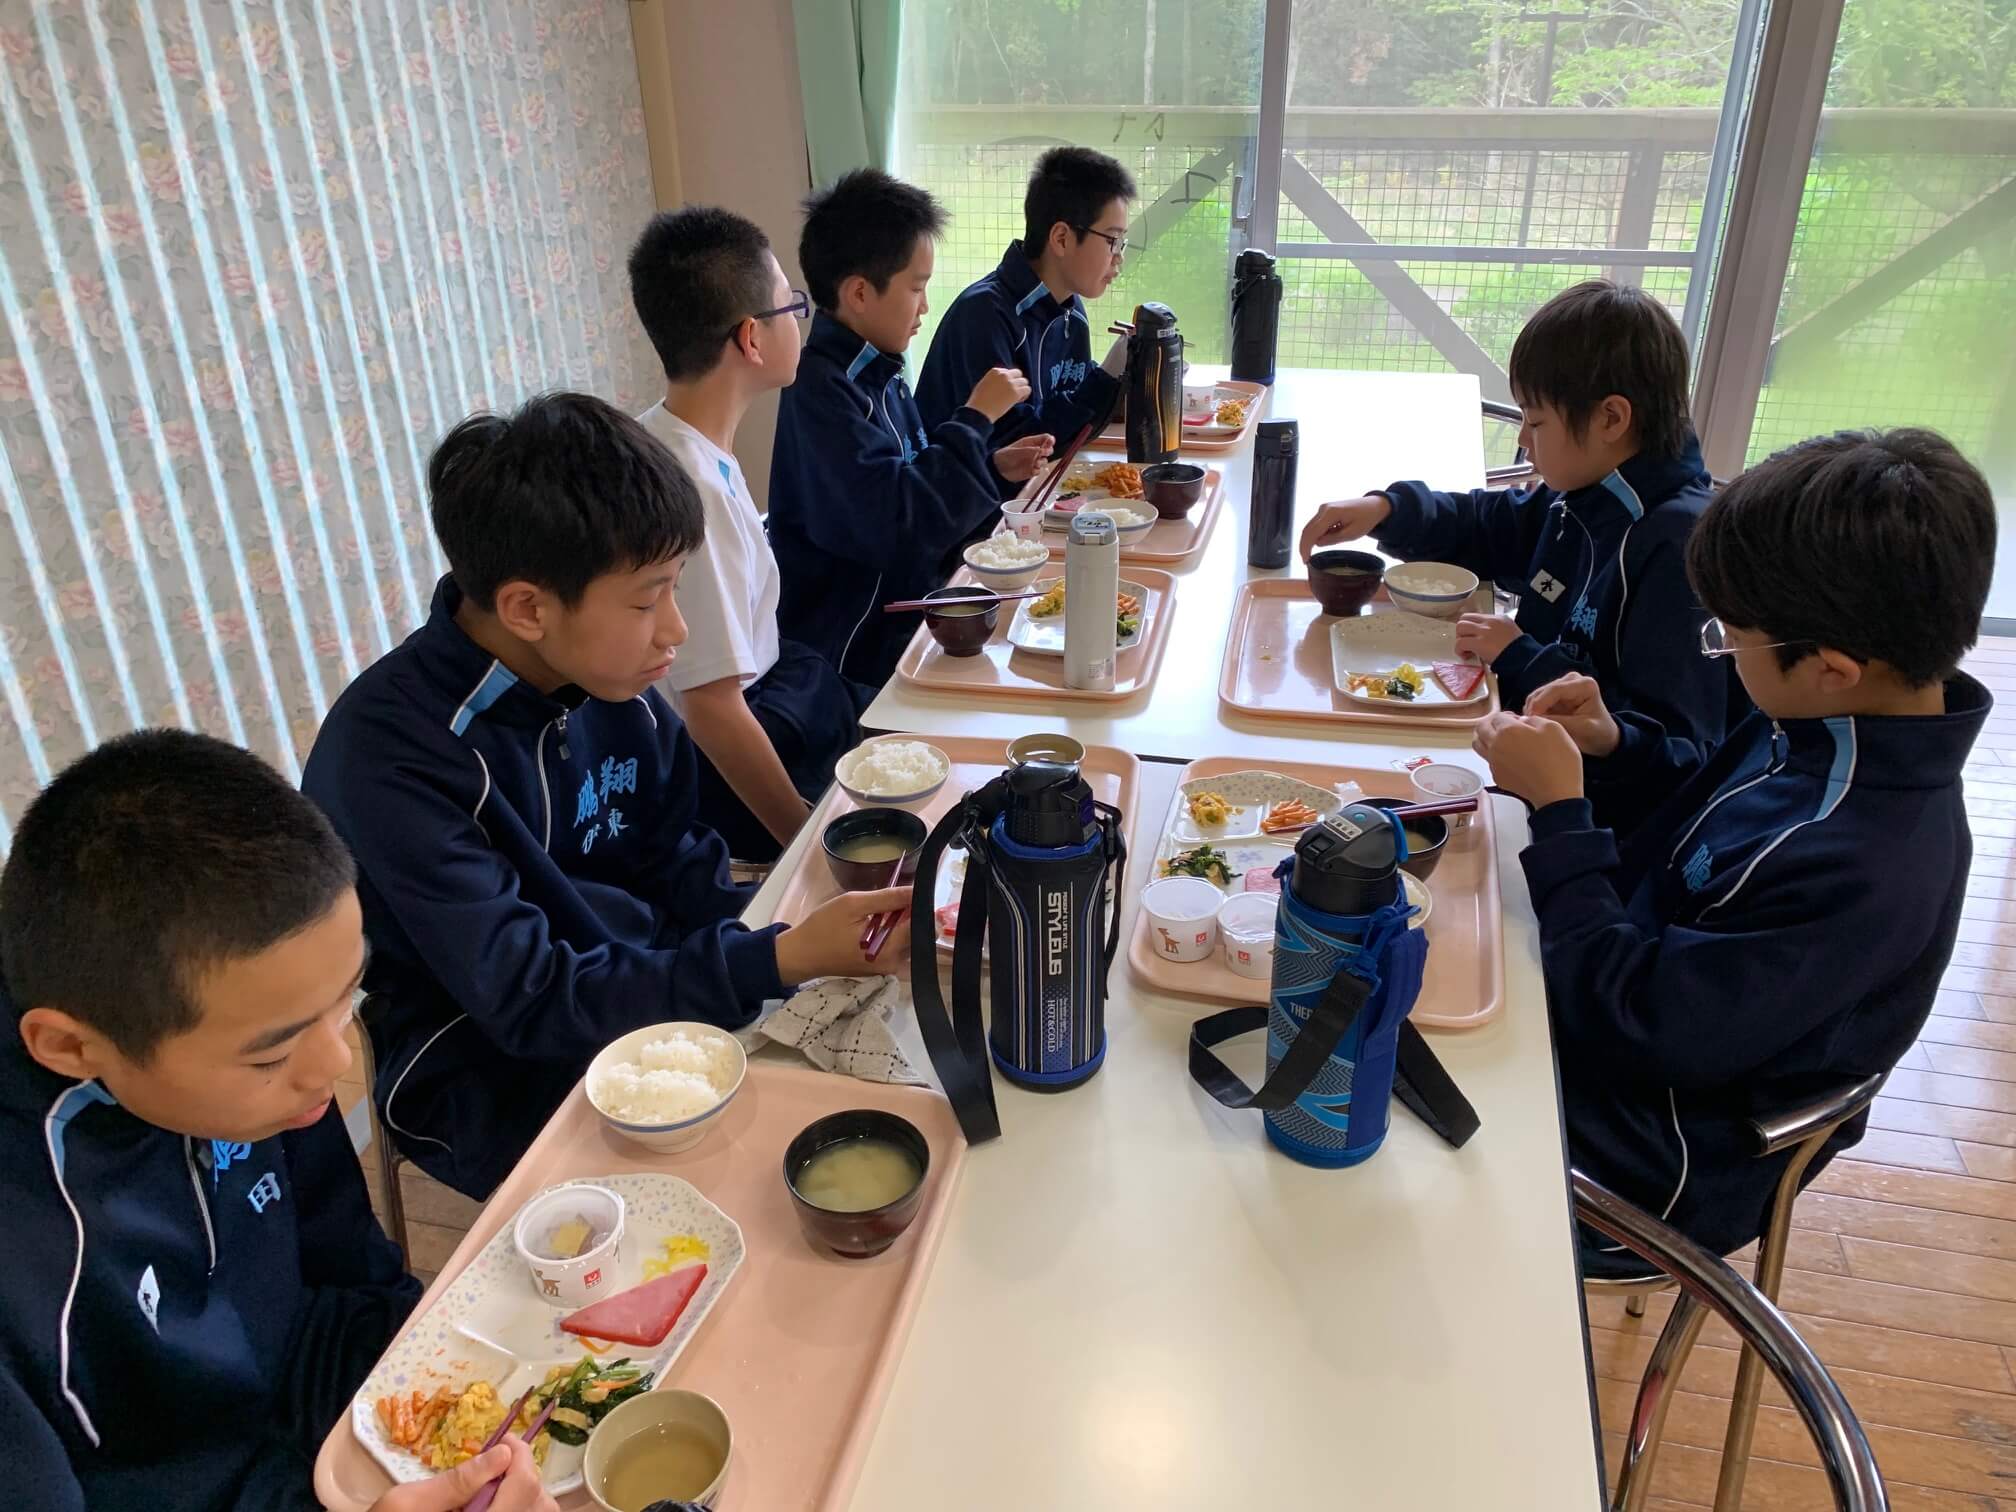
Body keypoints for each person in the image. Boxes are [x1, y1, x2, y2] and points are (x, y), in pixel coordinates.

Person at [302, 394, 908, 1198]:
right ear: (527, 608)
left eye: (677, 588)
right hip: (488, 1063)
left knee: (878, 1079)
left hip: (643, 986)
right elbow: (531, 1000)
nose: (676, 629)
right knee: (761, 1188)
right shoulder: (391, 757)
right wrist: (773, 959)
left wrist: (778, 949)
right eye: (647, 599)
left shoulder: (609, 684)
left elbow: (682, 862)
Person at [1472, 428, 1993, 1272]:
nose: (1721, 648)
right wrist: (1615, 744)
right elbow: (1693, 811)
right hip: (1603, 1011)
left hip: (1640, 1163)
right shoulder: (1824, 722)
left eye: (1729, 636)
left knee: (1371, 1056)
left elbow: (1635, 1026)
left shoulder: (1868, 868)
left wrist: (1562, 812)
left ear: (1832, 667)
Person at [0, 729, 554, 1511]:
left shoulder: (273, 1059)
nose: (333, 1063)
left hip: (330, 1444)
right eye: (271, 1056)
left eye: (346, 999)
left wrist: (457, 1394)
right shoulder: (26, 1248)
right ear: (70, 1047)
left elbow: (350, 1282)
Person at [1301, 280, 1740, 818]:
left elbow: (1683, 756)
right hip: (1514, 751)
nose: (1522, 440)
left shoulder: (1677, 550)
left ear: (1611, 419)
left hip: (1580, 816)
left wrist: (1522, 658)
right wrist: (1389, 509)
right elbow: (1489, 526)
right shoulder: (1586, 493)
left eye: (1535, 422)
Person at [627, 206, 867, 860]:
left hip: (777, 691)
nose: (801, 320)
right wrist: (806, 849)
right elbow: (712, 709)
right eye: (792, 305)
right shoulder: (690, 488)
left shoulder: (671, 437)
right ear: (751, 338)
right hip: (738, 763)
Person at [769, 169, 1052, 686]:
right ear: (859, 293)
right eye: (916, 287)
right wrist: (975, 418)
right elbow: (901, 527)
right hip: (857, 658)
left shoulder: (881, 372)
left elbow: (914, 485)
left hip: (914, 620)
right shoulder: (822, 392)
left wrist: (992, 468)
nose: (925, 305)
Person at [915, 145, 1137, 468]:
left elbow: (1072, 428)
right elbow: (1020, 449)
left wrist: (1134, 379)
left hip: (1035, 488)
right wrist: (1105, 379)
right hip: (973, 498)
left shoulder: (1071, 308)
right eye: (1112, 241)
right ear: (1061, 238)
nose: (1119, 258)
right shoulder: (984, 316)